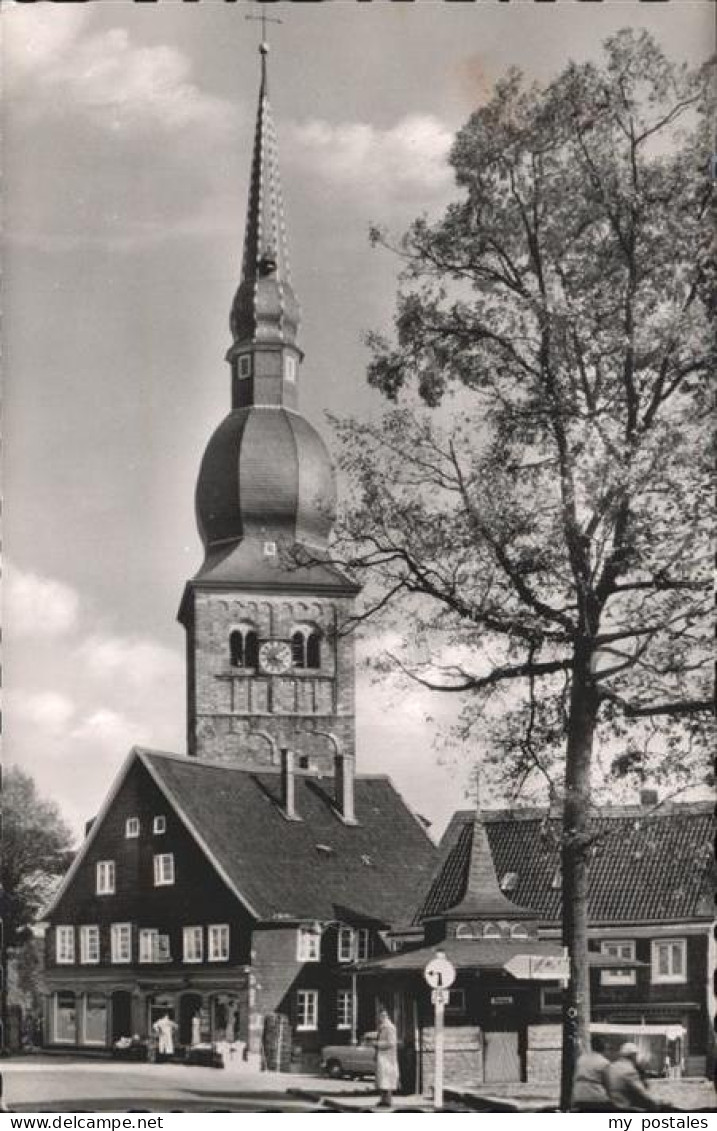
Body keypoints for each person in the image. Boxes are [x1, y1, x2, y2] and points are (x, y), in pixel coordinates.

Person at [606, 1042, 658, 1112]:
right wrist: (660, 1102)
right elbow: (643, 1093)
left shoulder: (611, 1067)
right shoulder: (629, 1071)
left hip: (612, 1106)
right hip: (626, 1107)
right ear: (633, 1056)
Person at [572, 1035, 613, 1112]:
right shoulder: (604, 1062)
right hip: (595, 1097)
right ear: (604, 1047)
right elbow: (608, 1084)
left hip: (578, 1095)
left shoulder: (581, 1058)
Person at [375, 1009, 400, 1108]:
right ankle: (383, 1100)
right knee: (382, 1079)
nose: (381, 1018)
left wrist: (377, 1044)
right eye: (381, 1015)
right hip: (382, 1056)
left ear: (387, 1017)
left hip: (388, 1057)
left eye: (384, 1016)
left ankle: (388, 1100)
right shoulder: (382, 1027)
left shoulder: (389, 1028)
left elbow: (391, 1043)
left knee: (387, 1079)